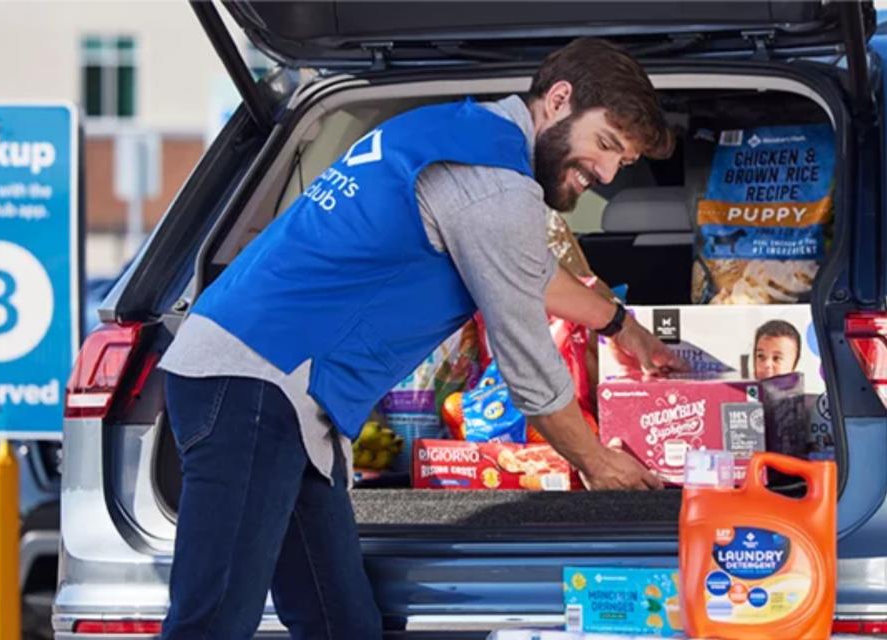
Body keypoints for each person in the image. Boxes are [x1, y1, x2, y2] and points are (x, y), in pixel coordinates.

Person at [157, 37, 688, 640]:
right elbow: (531, 371)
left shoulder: (454, 133)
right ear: (559, 100)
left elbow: (529, 271)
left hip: (281, 394)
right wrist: (599, 464)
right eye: (607, 145)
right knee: (213, 620)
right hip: (255, 382)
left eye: (622, 161)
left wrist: (622, 327)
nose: (607, 173)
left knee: (340, 625)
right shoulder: (494, 185)